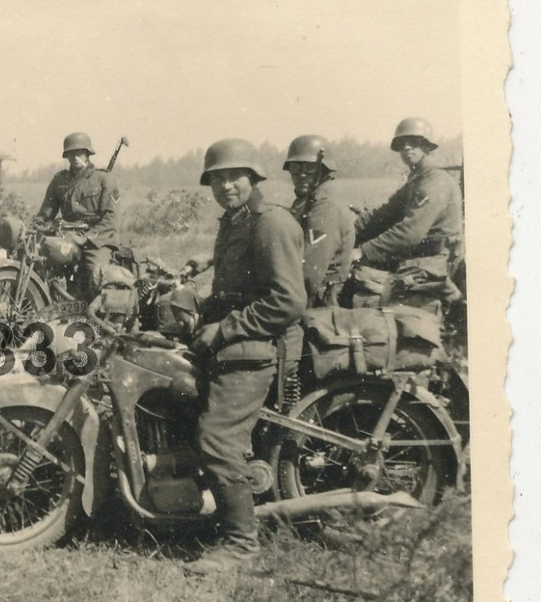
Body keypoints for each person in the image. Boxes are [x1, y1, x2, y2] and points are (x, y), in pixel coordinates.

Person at [186, 139, 307, 574]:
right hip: (240, 338)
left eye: (233, 176)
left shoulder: (270, 223)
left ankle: (241, 544)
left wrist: (227, 326)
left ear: (252, 177)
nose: (225, 186)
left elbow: (288, 301)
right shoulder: (236, 222)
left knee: (217, 438)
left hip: (260, 347)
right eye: (216, 178)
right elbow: (234, 290)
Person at [352, 117, 464, 302]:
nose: (406, 148)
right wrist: (348, 233)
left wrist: (362, 251)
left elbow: (410, 232)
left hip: (434, 260)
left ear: (427, 146)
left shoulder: (435, 181)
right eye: (402, 144)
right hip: (420, 257)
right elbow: (385, 213)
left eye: (414, 143)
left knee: (368, 292)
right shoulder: (418, 180)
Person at [34, 132, 122, 301]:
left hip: (98, 238)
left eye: (79, 152)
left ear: (88, 154)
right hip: (68, 235)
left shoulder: (103, 179)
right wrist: (36, 227)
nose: (75, 157)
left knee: (96, 272)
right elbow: (46, 213)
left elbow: (110, 221)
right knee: (41, 261)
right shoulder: (60, 181)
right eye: (70, 153)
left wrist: (85, 238)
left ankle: (101, 316)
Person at [283, 135, 355, 307]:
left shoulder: (325, 206)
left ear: (324, 168)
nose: (301, 175)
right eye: (295, 167)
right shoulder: (309, 200)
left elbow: (309, 273)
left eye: (309, 168)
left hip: (323, 301)